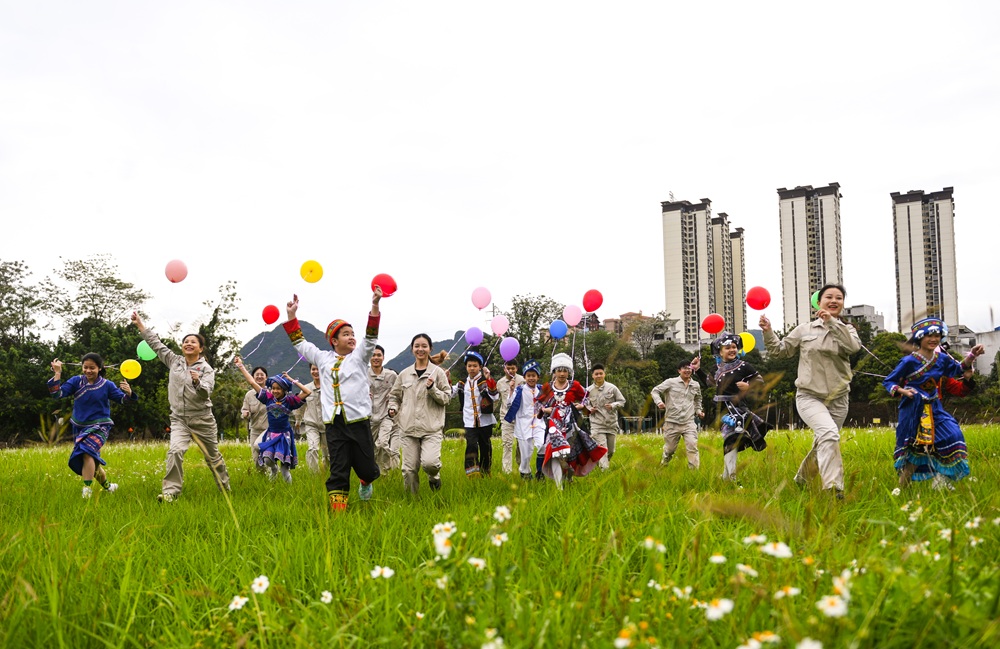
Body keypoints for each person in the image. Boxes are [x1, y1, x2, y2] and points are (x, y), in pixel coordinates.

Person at [282, 289, 382, 511]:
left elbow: (370, 338)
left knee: (367, 469)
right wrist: (291, 315)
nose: (351, 337)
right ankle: (338, 516)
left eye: (352, 333)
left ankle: (365, 481)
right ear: (334, 341)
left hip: (359, 422)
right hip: (334, 424)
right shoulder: (322, 358)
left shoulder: (360, 357)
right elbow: (300, 343)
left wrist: (375, 305)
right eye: (346, 334)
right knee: (338, 469)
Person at [761, 283, 860, 499]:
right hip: (809, 396)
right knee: (829, 434)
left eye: (838, 298)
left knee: (825, 440)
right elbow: (779, 351)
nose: (834, 301)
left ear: (843, 304)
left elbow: (853, 347)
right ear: (819, 301)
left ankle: (802, 478)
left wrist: (831, 322)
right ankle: (834, 489)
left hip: (839, 398)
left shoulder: (848, 330)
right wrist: (768, 332)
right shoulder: (804, 329)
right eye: (829, 297)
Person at [132, 312, 232, 502]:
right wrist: (140, 325)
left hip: (202, 419)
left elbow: (206, 393)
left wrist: (197, 382)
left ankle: (225, 489)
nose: (188, 344)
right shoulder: (174, 361)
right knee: (175, 451)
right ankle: (171, 493)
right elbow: (156, 344)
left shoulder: (206, 369)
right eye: (186, 341)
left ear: (200, 348)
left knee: (212, 457)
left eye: (193, 342)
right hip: (179, 419)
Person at [882, 318, 985, 489]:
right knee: (917, 449)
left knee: (953, 434)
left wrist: (972, 356)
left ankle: (942, 480)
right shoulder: (908, 361)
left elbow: (958, 369)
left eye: (937, 336)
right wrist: (904, 391)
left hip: (935, 408)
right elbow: (889, 381)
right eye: (929, 336)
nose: (934, 339)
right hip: (914, 409)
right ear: (919, 338)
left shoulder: (942, 359)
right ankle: (901, 489)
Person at [48, 353, 137, 498]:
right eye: (85, 367)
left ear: (100, 368)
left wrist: (129, 393)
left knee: (87, 452)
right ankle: (108, 487)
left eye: (92, 368)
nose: (88, 371)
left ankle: (87, 489)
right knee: (91, 461)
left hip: (100, 426)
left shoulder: (107, 385)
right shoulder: (76, 381)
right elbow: (56, 394)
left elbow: (123, 400)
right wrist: (57, 373)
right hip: (79, 427)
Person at [388, 335, 452, 494]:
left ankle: (434, 477)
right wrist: (393, 408)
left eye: (424, 346)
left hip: (431, 428)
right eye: (417, 346)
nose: (420, 349)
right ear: (412, 349)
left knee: (430, 464)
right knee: (409, 470)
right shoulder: (404, 374)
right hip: (408, 428)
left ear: (430, 349)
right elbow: (394, 396)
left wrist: (432, 389)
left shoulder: (438, 373)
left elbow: (446, 398)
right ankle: (412, 500)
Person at [536, 353, 605, 489]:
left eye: (565, 371)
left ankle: (568, 478)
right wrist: (545, 409)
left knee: (568, 454)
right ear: (554, 372)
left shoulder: (575, 385)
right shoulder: (547, 387)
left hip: (570, 426)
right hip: (553, 426)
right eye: (559, 370)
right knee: (554, 452)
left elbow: (586, 397)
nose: (562, 374)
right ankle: (559, 487)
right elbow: (538, 403)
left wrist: (581, 406)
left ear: (569, 372)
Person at [707, 333, 770, 482]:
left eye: (734, 347)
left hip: (738, 408)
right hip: (721, 409)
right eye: (727, 348)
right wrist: (697, 370)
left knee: (732, 439)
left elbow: (760, 381)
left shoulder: (744, 366)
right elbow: (708, 383)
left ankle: (730, 477)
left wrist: (748, 386)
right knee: (730, 439)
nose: (731, 350)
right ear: (720, 351)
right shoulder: (716, 368)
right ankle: (727, 476)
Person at [235, 359, 310, 483]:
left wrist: (291, 380)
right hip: (271, 434)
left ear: (284, 390)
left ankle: (288, 489)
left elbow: (307, 392)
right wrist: (241, 366)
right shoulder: (268, 398)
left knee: (284, 469)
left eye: (278, 389)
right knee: (267, 460)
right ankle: (273, 470)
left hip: (284, 436)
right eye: (273, 388)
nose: (275, 391)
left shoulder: (290, 401)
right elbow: (252, 382)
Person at [651, 357, 704, 469]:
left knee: (692, 446)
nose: (687, 370)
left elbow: (698, 399)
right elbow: (655, 391)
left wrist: (699, 411)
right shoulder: (670, 382)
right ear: (679, 370)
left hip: (689, 422)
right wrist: (659, 402)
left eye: (689, 368)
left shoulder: (695, 385)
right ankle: (664, 463)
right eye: (684, 368)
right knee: (670, 449)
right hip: (672, 422)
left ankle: (694, 471)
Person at [452, 351, 499, 478]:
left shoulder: (484, 381)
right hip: (469, 421)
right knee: (471, 445)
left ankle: (485, 471)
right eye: (469, 366)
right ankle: (472, 473)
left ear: (480, 367)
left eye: (475, 366)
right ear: (466, 367)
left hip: (485, 420)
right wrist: (445, 379)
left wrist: (489, 379)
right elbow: (450, 393)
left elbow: (495, 397)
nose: (472, 368)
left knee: (485, 446)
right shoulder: (462, 383)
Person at [503, 359, 544, 479]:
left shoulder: (542, 390)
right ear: (525, 377)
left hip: (539, 423)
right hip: (523, 425)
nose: (531, 378)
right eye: (529, 376)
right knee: (525, 454)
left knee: (542, 445)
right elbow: (509, 404)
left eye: (533, 375)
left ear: (538, 377)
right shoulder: (519, 390)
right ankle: (525, 473)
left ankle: (541, 472)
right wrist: (511, 390)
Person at [585, 364, 626, 470]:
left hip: (611, 424)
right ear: (592, 376)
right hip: (597, 425)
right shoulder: (588, 390)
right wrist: (589, 409)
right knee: (603, 449)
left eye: (601, 373)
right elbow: (584, 405)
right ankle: (604, 471)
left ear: (604, 374)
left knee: (611, 451)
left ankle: (599, 464)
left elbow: (622, 401)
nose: (599, 376)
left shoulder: (612, 388)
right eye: (596, 374)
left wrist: (613, 405)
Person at [369, 345, 400, 474]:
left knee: (382, 443)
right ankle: (375, 472)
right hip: (369, 418)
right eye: (373, 355)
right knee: (371, 449)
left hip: (386, 416)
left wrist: (393, 406)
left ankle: (384, 472)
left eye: (379, 355)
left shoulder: (391, 375)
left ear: (383, 357)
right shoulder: (362, 375)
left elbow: (399, 393)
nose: (376, 358)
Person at [295, 364, 328, 472]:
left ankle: (327, 473)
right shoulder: (306, 388)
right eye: (313, 369)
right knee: (312, 448)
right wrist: (298, 420)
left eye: (318, 369)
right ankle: (314, 474)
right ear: (310, 371)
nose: (316, 371)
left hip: (327, 425)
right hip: (311, 424)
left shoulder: (329, 387)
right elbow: (300, 406)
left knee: (328, 454)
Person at [496, 359, 525, 474]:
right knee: (507, 444)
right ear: (504, 369)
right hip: (506, 418)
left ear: (516, 368)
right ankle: (507, 471)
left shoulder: (522, 380)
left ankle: (522, 468)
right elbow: (496, 399)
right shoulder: (500, 383)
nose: (511, 371)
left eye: (513, 368)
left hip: (520, 418)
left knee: (521, 444)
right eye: (508, 368)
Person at [241, 365, 268, 474]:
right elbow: (244, 410)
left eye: (262, 375)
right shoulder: (249, 395)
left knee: (267, 455)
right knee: (256, 458)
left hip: (268, 430)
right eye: (257, 375)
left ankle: (272, 475)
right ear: (253, 377)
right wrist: (245, 414)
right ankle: (262, 478)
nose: (259, 377)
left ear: (266, 377)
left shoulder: (271, 392)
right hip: (255, 430)